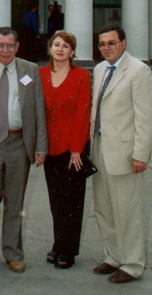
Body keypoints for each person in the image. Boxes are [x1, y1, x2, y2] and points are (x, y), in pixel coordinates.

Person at [0, 26, 47, 273]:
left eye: (10, 45)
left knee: (15, 203)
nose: (5, 50)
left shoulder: (30, 70)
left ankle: (13, 252)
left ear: (17, 46)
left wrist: (40, 146)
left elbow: (39, 110)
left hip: (19, 144)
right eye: (0, 45)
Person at [91, 25, 152, 283]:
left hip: (126, 153)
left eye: (112, 42)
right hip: (100, 148)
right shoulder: (99, 69)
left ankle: (132, 264)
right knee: (104, 208)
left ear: (124, 43)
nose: (107, 47)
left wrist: (141, 154)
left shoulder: (139, 71)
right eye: (102, 44)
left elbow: (146, 117)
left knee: (127, 212)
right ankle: (113, 257)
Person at [39, 30, 91, 269]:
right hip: (50, 148)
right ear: (50, 48)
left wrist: (77, 149)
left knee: (72, 202)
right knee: (56, 201)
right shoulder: (40, 73)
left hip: (73, 149)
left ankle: (69, 250)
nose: (60, 49)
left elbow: (83, 113)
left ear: (72, 51)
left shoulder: (82, 75)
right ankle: (58, 244)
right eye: (56, 45)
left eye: (66, 46)